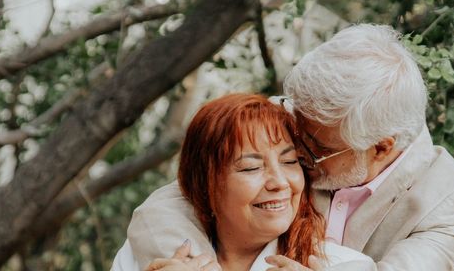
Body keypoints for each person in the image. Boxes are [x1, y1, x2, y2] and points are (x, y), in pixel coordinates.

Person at [127, 24, 454, 270]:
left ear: (380, 148)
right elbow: (175, 201)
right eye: (294, 128)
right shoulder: (296, 119)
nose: (294, 153)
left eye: (313, 147)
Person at [112, 94, 369, 271]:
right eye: (251, 167)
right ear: (206, 184)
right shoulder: (148, 255)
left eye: (291, 162)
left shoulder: (343, 265)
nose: (279, 183)